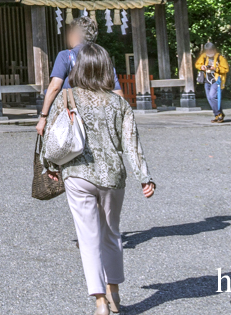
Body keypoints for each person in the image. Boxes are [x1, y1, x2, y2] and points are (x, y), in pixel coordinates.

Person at [44, 42, 155, 315]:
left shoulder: (67, 98)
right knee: (112, 234)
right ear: (107, 68)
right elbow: (132, 143)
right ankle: (114, 294)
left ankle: (99, 302)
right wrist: (145, 177)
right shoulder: (119, 103)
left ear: (78, 68)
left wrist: (49, 165)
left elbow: (52, 135)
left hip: (78, 174)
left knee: (88, 236)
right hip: (113, 175)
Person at [36, 15, 121, 138]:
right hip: (98, 115)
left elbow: (54, 87)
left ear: (74, 35)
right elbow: (117, 92)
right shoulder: (102, 57)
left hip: (71, 116)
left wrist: (43, 116)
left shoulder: (66, 56)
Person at [194, 41, 230, 122]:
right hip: (207, 80)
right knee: (209, 98)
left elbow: (226, 69)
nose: (209, 52)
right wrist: (201, 67)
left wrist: (215, 68)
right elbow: (197, 64)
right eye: (207, 51)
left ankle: (219, 114)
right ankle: (217, 114)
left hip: (216, 80)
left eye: (210, 51)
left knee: (212, 96)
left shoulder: (220, 58)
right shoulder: (204, 57)